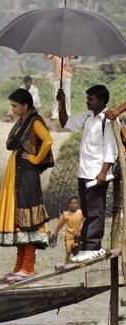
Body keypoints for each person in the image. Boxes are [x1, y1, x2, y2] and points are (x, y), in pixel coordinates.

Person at [0, 88, 53, 282]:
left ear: (25, 106)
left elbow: (48, 141)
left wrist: (35, 159)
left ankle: (28, 267)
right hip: (18, 173)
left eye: (15, 106)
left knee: (29, 219)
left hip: (28, 174)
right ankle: (19, 267)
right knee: (19, 220)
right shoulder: (23, 122)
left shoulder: (34, 122)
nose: (12, 109)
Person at [57, 85, 118, 263]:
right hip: (84, 171)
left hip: (97, 172)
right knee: (87, 210)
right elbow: (66, 124)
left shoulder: (108, 120)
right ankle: (86, 247)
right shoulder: (87, 116)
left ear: (101, 101)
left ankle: (94, 246)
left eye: (90, 99)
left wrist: (103, 172)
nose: (87, 101)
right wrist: (61, 103)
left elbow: (111, 149)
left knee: (96, 211)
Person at [50, 196, 86, 263]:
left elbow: (85, 222)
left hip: (77, 236)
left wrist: (81, 231)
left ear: (78, 204)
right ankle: (67, 259)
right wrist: (54, 232)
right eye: (71, 203)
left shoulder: (80, 213)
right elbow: (59, 225)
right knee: (68, 251)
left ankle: (76, 259)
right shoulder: (66, 214)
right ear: (69, 204)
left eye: (75, 203)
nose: (73, 205)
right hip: (69, 235)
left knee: (77, 251)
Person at [44, 54, 78, 120]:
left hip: (66, 75)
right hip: (57, 76)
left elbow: (74, 57)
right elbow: (46, 56)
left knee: (66, 96)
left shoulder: (67, 52)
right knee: (56, 96)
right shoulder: (54, 52)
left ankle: (67, 113)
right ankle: (55, 114)